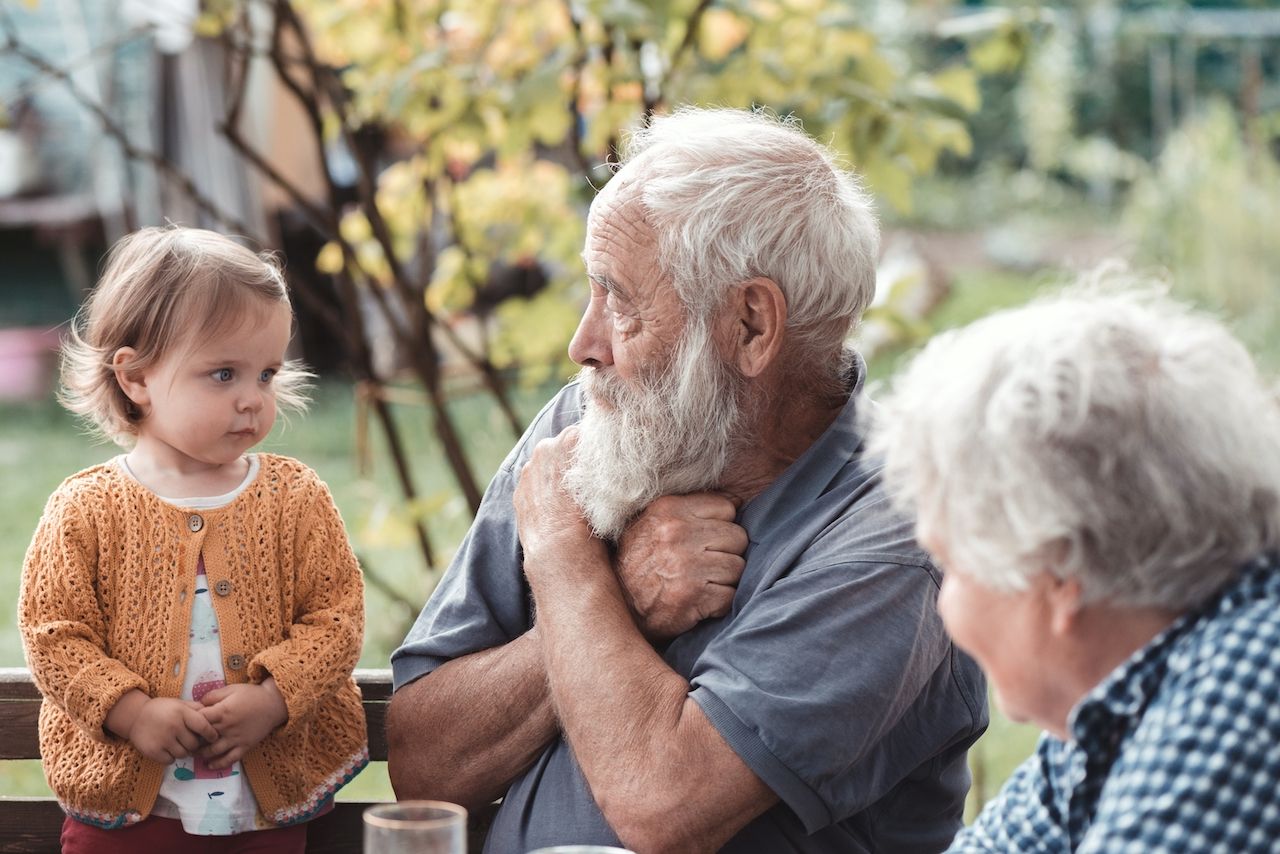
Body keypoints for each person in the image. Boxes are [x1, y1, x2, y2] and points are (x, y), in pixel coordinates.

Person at [388, 107, 987, 853]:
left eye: (620, 301)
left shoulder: (894, 541)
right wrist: (620, 598)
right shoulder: (599, 417)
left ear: (751, 326)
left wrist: (570, 565)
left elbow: (662, 805)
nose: (584, 344)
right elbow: (421, 767)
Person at [868, 281, 1280, 852]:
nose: (943, 604)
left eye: (951, 565)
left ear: (1056, 573)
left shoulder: (1244, 690)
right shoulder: (1111, 703)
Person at [19, 226, 368, 853]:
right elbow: (54, 635)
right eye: (224, 373)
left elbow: (336, 618)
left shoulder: (295, 497)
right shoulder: (86, 509)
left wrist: (273, 699)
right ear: (136, 378)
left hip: (264, 807)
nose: (252, 400)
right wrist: (131, 712)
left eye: (266, 373)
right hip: (131, 812)